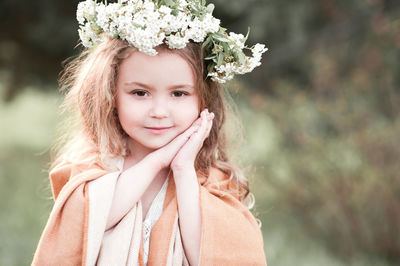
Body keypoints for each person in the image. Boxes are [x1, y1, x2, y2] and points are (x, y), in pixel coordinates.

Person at [32, 0, 268, 265]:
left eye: (178, 93)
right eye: (140, 93)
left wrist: (182, 169)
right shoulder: (93, 165)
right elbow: (87, 222)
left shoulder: (209, 179)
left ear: (203, 102)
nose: (158, 111)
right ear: (110, 95)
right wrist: (158, 159)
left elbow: (209, 253)